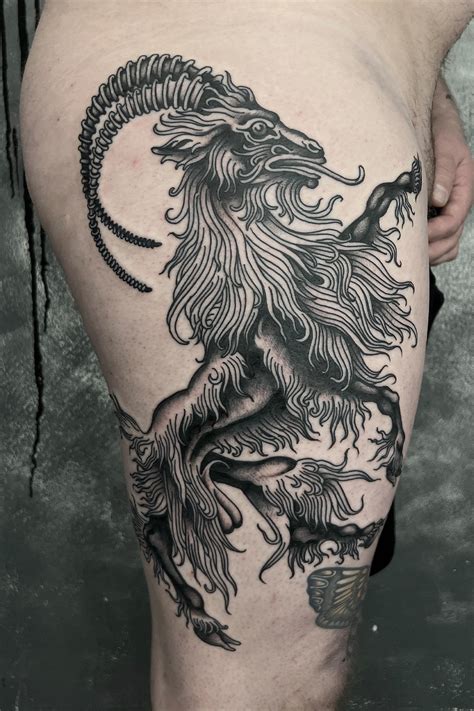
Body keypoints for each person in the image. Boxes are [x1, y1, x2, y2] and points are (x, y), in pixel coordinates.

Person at [20, 2, 473, 709]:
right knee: (272, 688)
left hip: (331, 60)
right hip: (265, 49)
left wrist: (416, 80)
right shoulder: (239, 245)